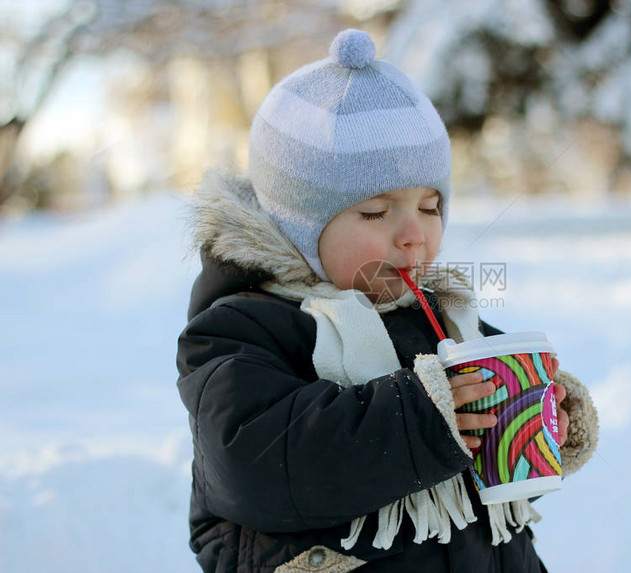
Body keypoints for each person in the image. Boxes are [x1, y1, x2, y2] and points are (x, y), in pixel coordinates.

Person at [176, 29, 598, 573]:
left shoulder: (442, 318)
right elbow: (255, 466)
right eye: (376, 211)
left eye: (430, 206)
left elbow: (483, 485)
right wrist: (422, 420)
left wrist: (536, 421)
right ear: (296, 225)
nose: (413, 235)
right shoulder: (242, 328)